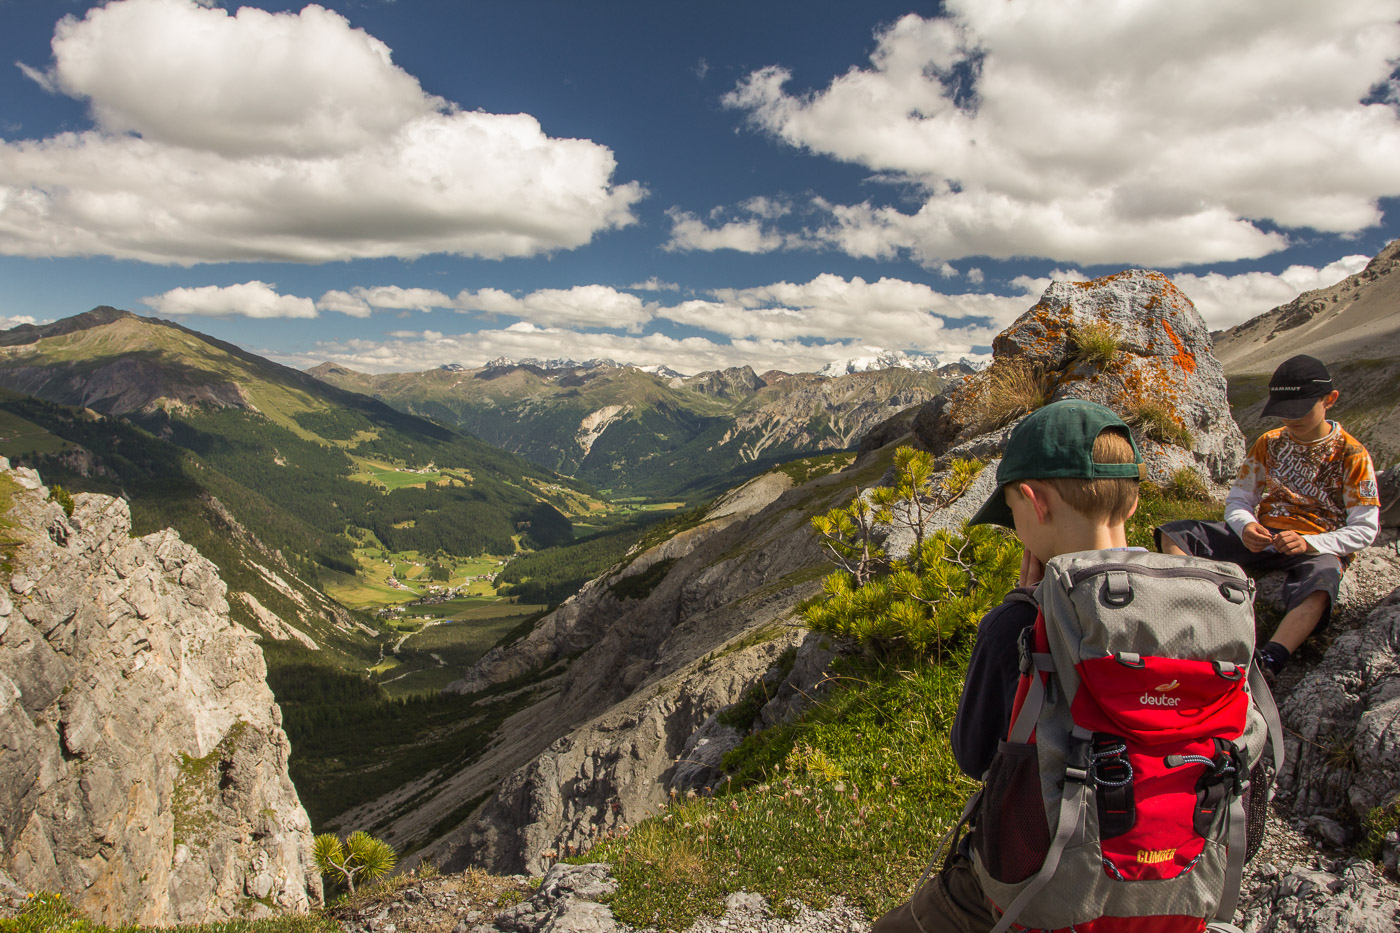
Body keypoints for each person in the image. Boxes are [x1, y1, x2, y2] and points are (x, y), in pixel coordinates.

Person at [873, 398, 1146, 933]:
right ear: (1131, 504)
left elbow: (974, 757)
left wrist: (1028, 612)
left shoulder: (1016, 627)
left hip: (1042, 879)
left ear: (1032, 501)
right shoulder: (1202, 607)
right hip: (1166, 875)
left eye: (1013, 515)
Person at [1156, 355, 1380, 681]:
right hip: (1265, 534)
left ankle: (1271, 659)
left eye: (1300, 410)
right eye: (1284, 411)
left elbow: (1364, 528)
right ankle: (1195, 607)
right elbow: (1239, 499)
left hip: (1318, 545)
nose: (1291, 419)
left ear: (1329, 400)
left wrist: (1310, 542)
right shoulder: (1268, 443)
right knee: (1175, 534)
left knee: (1321, 585)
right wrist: (1244, 526)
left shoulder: (1352, 454)